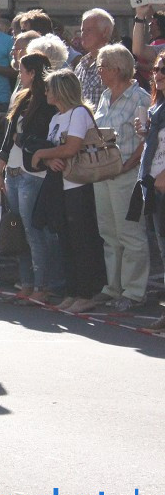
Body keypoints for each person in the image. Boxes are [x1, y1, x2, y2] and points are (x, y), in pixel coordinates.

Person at [30, 69, 108, 313]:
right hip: (59, 185)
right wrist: (48, 159)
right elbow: (56, 149)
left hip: (79, 185)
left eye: (50, 88)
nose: (46, 92)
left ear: (61, 90)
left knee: (82, 240)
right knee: (64, 240)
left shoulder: (78, 113)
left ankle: (87, 293)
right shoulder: (55, 118)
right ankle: (72, 291)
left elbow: (72, 147)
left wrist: (42, 154)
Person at [0, 52, 62, 304]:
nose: (19, 75)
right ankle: (26, 283)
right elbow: (8, 136)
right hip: (12, 171)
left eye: (22, 71)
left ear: (33, 73)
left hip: (32, 173)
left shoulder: (47, 102)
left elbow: (43, 137)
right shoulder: (22, 98)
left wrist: (21, 140)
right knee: (18, 230)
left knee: (34, 232)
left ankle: (42, 286)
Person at [92, 44, 150, 311]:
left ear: (117, 69)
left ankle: (134, 291)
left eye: (102, 66)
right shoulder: (105, 95)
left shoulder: (140, 98)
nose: (98, 70)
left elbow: (147, 139)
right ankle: (113, 287)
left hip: (127, 174)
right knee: (108, 234)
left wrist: (129, 164)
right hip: (103, 173)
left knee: (130, 234)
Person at [136, 51, 165, 331]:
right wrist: (145, 134)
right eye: (156, 69)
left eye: (164, 70)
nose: (158, 74)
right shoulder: (158, 106)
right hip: (155, 184)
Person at [75, 8, 113, 107]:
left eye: (89, 30)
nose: (84, 34)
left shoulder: (114, 62)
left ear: (105, 31)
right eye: (82, 30)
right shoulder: (81, 65)